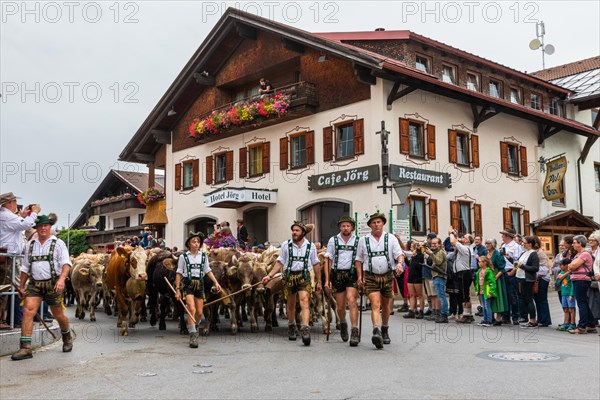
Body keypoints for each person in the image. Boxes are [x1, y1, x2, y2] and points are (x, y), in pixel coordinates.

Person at [11, 214, 74, 360]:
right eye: (40, 226)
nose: (43, 228)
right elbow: (25, 268)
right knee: (28, 311)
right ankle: (26, 348)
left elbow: (66, 263)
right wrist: (21, 286)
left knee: (58, 314)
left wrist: (62, 280)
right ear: (37, 228)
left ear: (49, 227)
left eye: (45, 225)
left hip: (53, 284)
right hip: (35, 284)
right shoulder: (30, 245)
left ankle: (67, 337)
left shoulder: (58, 243)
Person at [262, 221, 322, 346]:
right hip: (289, 276)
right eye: (293, 230)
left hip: (304, 276)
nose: (294, 233)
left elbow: (316, 263)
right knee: (290, 304)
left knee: (304, 301)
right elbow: (280, 262)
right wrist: (270, 275)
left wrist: (319, 281)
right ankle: (292, 326)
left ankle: (305, 329)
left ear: (303, 233)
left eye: (297, 230)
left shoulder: (310, 246)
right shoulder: (286, 245)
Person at [356, 213, 403, 349]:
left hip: (387, 275)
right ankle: (376, 330)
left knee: (386, 305)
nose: (376, 224)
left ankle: (384, 328)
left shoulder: (391, 238)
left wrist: (399, 264)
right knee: (375, 303)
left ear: (383, 224)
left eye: (379, 222)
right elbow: (358, 260)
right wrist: (360, 277)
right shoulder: (363, 240)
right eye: (374, 223)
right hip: (370, 276)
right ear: (370, 225)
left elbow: (399, 254)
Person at [0, 193, 41, 330]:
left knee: (7, 288)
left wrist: (22, 215)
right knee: (4, 289)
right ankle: (2, 319)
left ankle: (6, 319)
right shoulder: (6, 216)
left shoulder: (5, 215)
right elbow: (27, 224)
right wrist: (34, 213)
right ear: (10, 203)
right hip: (6, 258)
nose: (16, 204)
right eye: (15, 201)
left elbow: (19, 223)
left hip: (8, 257)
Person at [174, 233, 222, 348]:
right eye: (193, 242)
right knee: (191, 308)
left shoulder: (203, 256)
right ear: (189, 244)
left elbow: (207, 270)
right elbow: (179, 273)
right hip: (188, 284)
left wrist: (216, 282)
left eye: (198, 242)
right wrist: (177, 290)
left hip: (200, 284)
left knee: (200, 313)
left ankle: (193, 326)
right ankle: (193, 335)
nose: (196, 243)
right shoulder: (183, 257)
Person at [324, 216, 360, 346]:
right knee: (340, 306)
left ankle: (355, 330)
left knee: (352, 301)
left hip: (352, 274)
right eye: (343, 226)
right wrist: (327, 280)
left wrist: (362, 277)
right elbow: (328, 260)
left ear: (352, 227)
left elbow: (361, 260)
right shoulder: (333, 240)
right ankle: (343, 323)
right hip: (338, 274)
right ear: (340, 227)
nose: (346, 228)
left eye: (348, 226)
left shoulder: (358, 240)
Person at [566, 235, 596, 334]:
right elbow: (570, 267)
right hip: (578, 279)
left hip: (581, 279)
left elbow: (572, 266)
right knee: (584, 302)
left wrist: (571, 266)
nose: (573, 244)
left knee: (581, 303)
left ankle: (582, 326)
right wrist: (571, 266)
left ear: (580, 243)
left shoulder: (584, 254)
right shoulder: (578, 255)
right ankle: (591, 324)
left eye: (574, 242)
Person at [448, 228, 474, 324]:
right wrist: (455, 235)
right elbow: (455, 241)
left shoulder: (464, 248)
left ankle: (466, 315)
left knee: (463, 295)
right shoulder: (465, 248)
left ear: (467, 241)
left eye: (464, 237)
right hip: (463, 273)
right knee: (465, 294)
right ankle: (469, 314)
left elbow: (453, 241)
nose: (462, 238)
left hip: (463, 273)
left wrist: (451, 232)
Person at [500, 228, 522, 325]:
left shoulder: (516, 246)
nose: (502, 237)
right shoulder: (503, 246)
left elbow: (518, 260)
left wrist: (513, 271)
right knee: (505, 295)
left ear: (508, 236)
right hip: (503, 271)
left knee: (513, 295)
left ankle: (515, 316)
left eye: (503, 235)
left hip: (510, 271)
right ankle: (506, 316)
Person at [517, 235, 540, 328]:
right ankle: (530, 319)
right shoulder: (524, 253)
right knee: (524, 299)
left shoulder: (533, 254)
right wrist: (510, 258)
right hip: (521, 277)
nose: (523, 244)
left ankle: (533, 320)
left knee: (529, 299)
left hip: (528, 279)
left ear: (530, 244)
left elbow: (535, 268)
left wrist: (522, 266)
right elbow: (518, 264)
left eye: (524, 243)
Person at [424, 237, 448, 323]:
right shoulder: (437, 252)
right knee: (439, 296)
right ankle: (441, 314)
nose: (433, 245)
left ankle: (444, 315)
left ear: (440, 244)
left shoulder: (441, 252)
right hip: (436, 276)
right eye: (432, 243)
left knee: (441, 296)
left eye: (435, 243)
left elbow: (438, 262)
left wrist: (431, 254)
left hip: (440, 276)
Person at [485, 238, 508, 325]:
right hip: (488, 277)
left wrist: (495, 277)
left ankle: (498, 318)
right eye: (486, 243)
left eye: (489, 243)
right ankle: (490, 317)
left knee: (497, 296)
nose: (487, 245)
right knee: (488, 296)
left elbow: (502, 268)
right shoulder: (486, 253)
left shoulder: (497, 254)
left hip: (496, 277)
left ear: (493, 244)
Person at [403, 241, 425, 319]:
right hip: (411, 277)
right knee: (411, 295)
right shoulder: (413, 256)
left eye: (412, 247)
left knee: (420, 295)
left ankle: (421, 311)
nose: (410, 248)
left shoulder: (420, 256)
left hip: (417, 277)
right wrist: (405, 258)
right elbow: (409, 265)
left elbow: (418, 266)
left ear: (415, 248)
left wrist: (415, 257)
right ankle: (411, 310)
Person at [474, 256, 497, 327]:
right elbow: (477, 281)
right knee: (483, 306)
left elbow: (492, 282)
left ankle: (489, 321)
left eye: (480, 262)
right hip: (481, 291)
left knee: (487, 306)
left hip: (487, 292)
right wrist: (477, 290)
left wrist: (491, 292)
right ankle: (485, 319)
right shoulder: (479, 271)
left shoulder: (488, 271)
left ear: (485, 263)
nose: (478, 263)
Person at [534, 242, 552, 327]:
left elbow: (545, 269)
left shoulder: (540, 253)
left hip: (542, 279)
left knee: (542, 300)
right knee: (537, 300)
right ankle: (540, 319)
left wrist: (534, 273)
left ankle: (545, 320)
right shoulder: (535, 252)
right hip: (537, 279)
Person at [556, 259, 575, 331]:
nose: (560, 266)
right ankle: (566, 323)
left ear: (566, 265)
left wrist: (572, 294)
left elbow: (573, 284)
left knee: (571, 309)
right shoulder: (561, 273)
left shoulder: (571, 273)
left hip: (569, 294)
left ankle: (572, 323)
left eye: (561, 265)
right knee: (566, 309)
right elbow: (558, 284)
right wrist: (558, 278)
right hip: (563, 294)